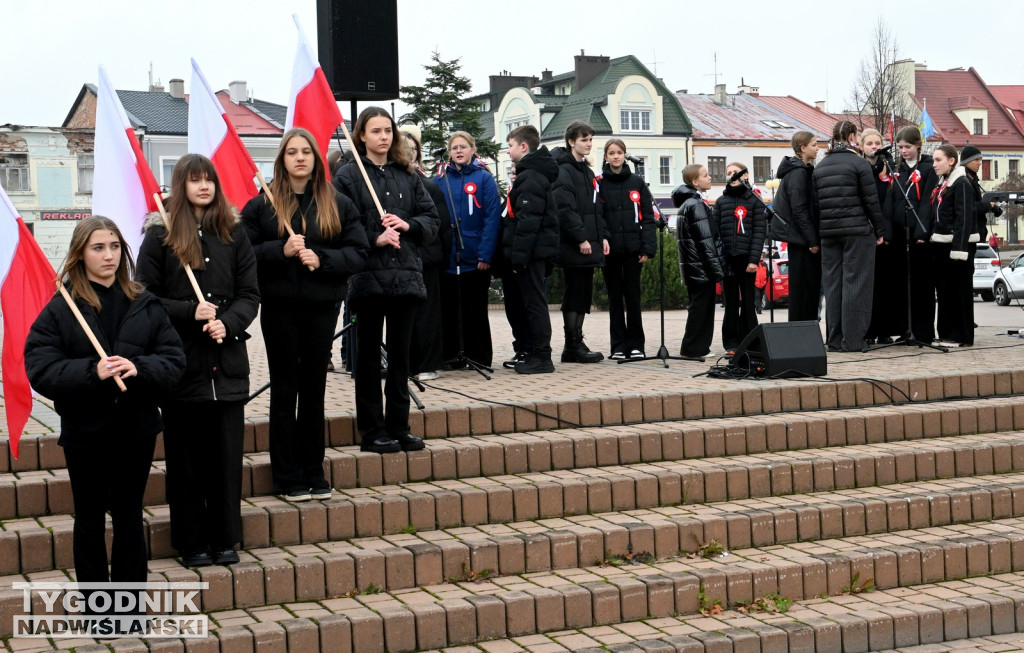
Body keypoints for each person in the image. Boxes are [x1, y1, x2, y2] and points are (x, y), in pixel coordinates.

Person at [25, 217, 184, 597]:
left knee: (129, 517)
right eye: (98, 248)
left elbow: (174, 360)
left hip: (136, 428)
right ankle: (99, 609)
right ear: (80, 254)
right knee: (91, 519)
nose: (108, 255)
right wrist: (90, 371)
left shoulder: (145, 303)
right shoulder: (63, 308)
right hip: (86, 432)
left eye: (115, 246)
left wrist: (140, 367)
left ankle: (128, 608)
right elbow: (40, 366)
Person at [136, 154, 259, 566]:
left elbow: (249, 293)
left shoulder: (234, 232)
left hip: (226, 364)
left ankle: (226, 538)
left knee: (225, 460)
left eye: (209, 179)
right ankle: (190, 541)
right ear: (180, 185)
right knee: (186, 462)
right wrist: (190, 311)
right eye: (194, 180)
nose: (203, 186)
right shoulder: (160, 235)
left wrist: (229, 322)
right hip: (181, 365)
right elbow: (144, 296)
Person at [242, 127, 369, 499]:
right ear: (282, 159)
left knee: (314, 389)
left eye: (307, 152)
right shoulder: (262, 203)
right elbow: (243, 253)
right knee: (285, 388)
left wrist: (323, 258)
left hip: (320, 307)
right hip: (280, 307)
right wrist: (278, 250)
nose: (300, 158)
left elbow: (358, 251)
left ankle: (313, 469)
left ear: (316, 159)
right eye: (292, 152)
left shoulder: (337, 202)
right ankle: (286, 475)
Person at [333, 107, 439, 452]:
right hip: (367, 278)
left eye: (387, 131)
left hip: (406, 277)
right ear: (361, 135)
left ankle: (399, 425)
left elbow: (431, 219)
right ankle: (371, 430)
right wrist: (373, 238)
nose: (383, 137)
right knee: (367, 358)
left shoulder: (408, 174)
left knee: (400, 356)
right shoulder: (349, 176)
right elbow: (337, 225)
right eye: (375, 131)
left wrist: (408, 226)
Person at [812, 120, 887, 352]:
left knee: (833, 286)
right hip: (857, 232)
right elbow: (870, 201)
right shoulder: (858, 163)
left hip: (829, 233)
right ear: (853, 136)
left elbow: (816, 204)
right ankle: (853, 341)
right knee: (857, 285)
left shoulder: (821, 166)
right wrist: (880, 230)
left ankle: (834, 340)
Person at [435, 131, 502, 368]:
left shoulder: (484, 179)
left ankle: (479, 356)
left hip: (475, 256)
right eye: (454, 148)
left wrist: (485, 254)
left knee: (475, 311)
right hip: (449, 258)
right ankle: (451, 355)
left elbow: (492, 219)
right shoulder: (440, 180)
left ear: (473, 150)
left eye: (463, 147)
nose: (459, 152)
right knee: (449, 310)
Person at [502, 124, 560, 373]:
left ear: (523, 146)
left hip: (532, 254)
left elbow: (528, 222)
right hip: (533, 252)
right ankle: (536, 353)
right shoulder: (530, 174)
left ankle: (542, 356)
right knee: (531, 302)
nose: (507, 151)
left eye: (511, 146)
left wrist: (519, 257)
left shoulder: (531, 177)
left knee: (534, 303)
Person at [551, 120, 608, 363]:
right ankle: (571, 345)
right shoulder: (563, 170)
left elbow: (595, 208)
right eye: (584, 139)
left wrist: (602, 236)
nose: (588, 144)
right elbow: (565, 209)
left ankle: (577, 341)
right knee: (575, 293)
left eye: (590, 139)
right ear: (571, 141)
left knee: (583, 293)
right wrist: (581, 238)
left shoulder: (586, 171)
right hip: (575, 244)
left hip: (589, 242)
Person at [599, 139, 656, 359]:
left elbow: (648, 217)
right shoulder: (600, 183)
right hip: (610, 250)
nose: (615, 156)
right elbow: (598, 215)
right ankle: (618, 346)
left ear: (625, 155)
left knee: (633, 296)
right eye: (611, 153)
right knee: (615, 297)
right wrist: (603, 238)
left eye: (619, 152)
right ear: (605, 156)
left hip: (633, 250)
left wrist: (647, 248)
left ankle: (636, 345)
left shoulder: (637, 182)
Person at [401, 127, 450, 381]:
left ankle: (427, 364)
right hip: (403, 259)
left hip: (427, 260)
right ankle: (407, 363)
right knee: (406, 316)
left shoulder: (429, 187)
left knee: (427, 314)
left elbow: (442, 227)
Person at [885, 126, 938, 343]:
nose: (904, 151)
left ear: (918, 145)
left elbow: (927, 202)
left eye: (907, 147)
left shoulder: (927, 168)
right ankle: (904, 329)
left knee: (922, 285)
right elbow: (890, 201)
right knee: (901, 285)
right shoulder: (896, 169)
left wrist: (922, 231)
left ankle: (923, 331)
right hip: (899, 233)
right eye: (900, 147)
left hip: (918, 234)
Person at [673, 164, 724, 358]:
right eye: (705, 175)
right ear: (695, 182)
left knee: (699, 307)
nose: (710, 177)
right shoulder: (695, 204)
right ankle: (694, 348)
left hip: (696, 266)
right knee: (701, 308)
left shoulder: (691, 203)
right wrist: (716, 268)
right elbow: (705, 240)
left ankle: (696, 347)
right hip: (701, 267)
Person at [715, 162, 765, 352]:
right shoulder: (721, 201)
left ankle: (750, 341)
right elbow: (716, 231)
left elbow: (760, 232)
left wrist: (754, 260)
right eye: (728, 173)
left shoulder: (754, 201)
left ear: (745, 175)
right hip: (728, 260)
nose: (732, 176)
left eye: (735, 172)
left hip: (747, 260)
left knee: (748, 302)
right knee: (731, 303)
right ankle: (731, 343)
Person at [772, 131, 820, 322]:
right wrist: (812, 240)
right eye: (814, 144)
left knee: (805, 290)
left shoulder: (800, 171)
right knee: (804, 290)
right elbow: (799, 209)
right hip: (802, 242)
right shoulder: (799, 173)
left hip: (800, 239)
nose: (818, 148)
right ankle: (802, 331)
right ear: (803, 148)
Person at [930, 145, 976, 346]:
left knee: (959, 291)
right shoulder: (945, 183)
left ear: (951, 161)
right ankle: (947, 333)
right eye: (933, 160)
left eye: (938, 160)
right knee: (945, 292)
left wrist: (959, 250)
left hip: (957, 246)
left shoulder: (962, 183)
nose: (934, 164)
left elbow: (963, 217)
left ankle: (960, 335)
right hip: (942, 244)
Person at [861, 128, 903, 344]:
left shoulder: (890, 168)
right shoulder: (860, 168)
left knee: (887, 286)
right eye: (869, 143)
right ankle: (868, 331)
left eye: (877, 142)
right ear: (862, 146)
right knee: (870, 287)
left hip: (887, 235)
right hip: (867, 234)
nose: (875, 147)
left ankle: (885, 330)